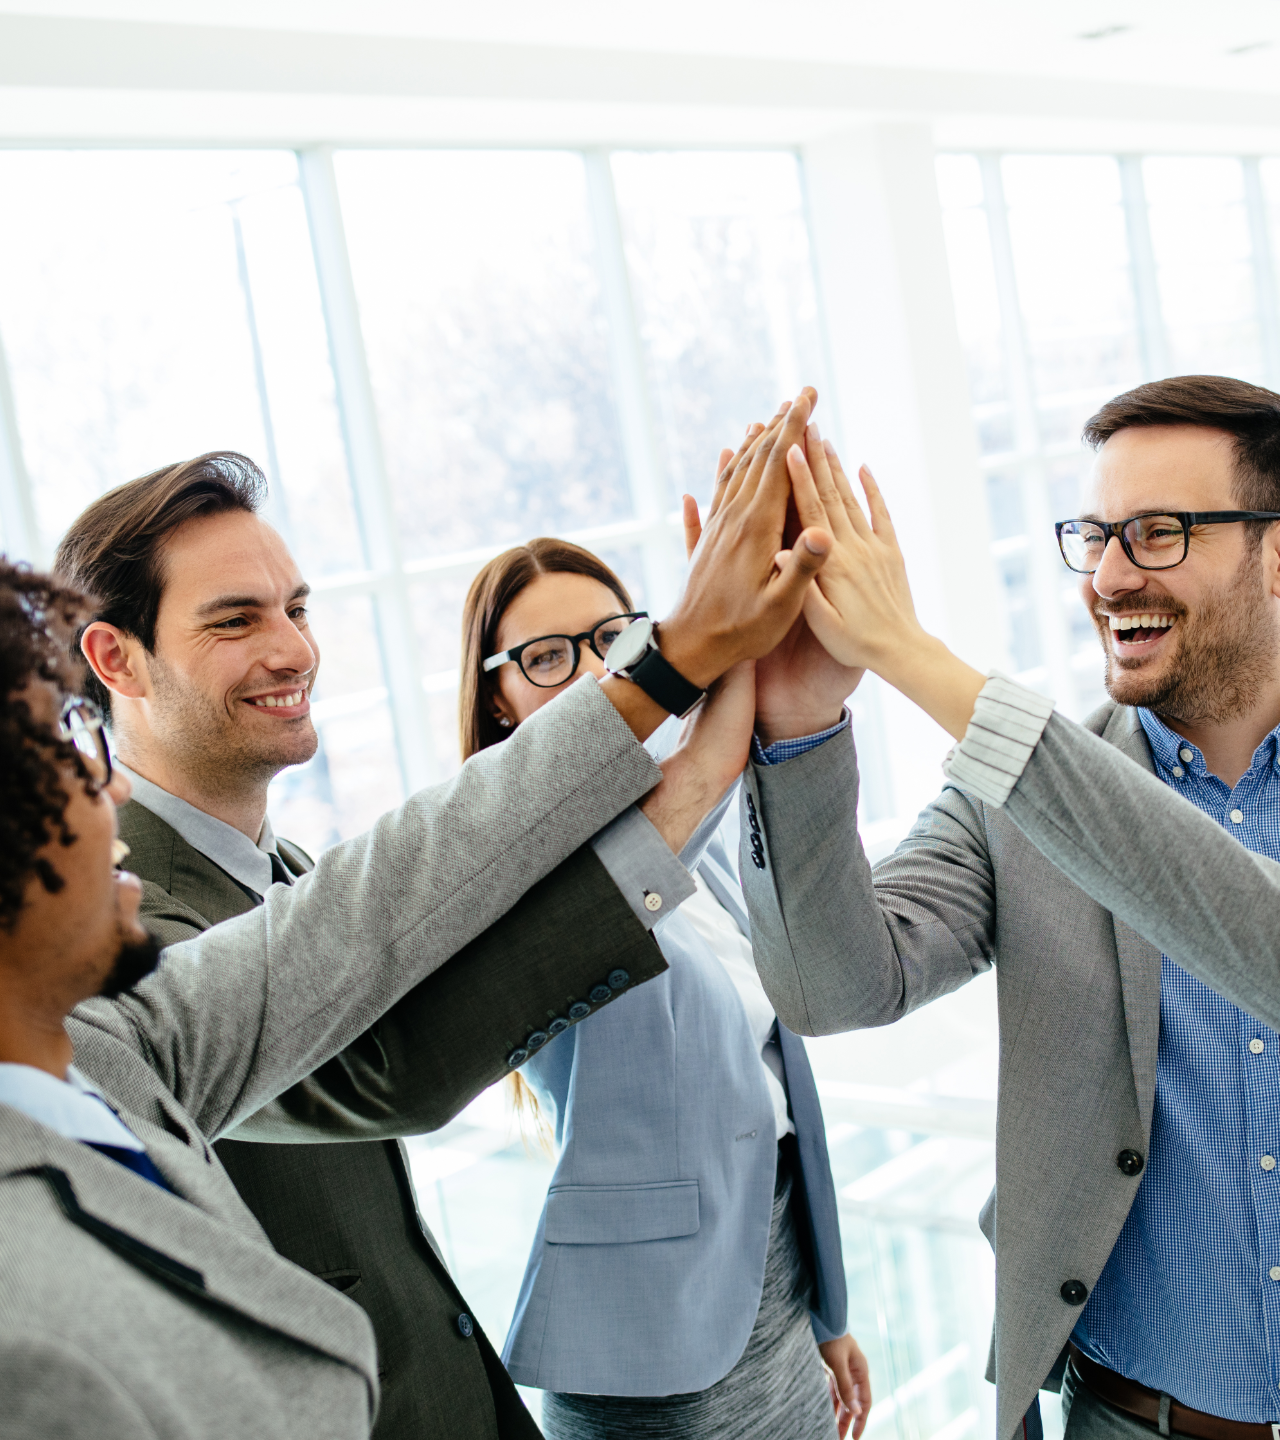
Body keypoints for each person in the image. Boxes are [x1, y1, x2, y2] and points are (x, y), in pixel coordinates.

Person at [0, 387, 833, 1437]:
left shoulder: (287, 874)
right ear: (115, 661)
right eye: (234, 620)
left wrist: (701, 702)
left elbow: (398, 871)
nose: (295, 650)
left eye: (296, 610)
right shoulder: (134, 962)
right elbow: (389, 1050)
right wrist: (666, 665)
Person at [719, 375, 1280, 1440]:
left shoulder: (1038, 783)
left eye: (1158, 534)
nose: (1109, 577)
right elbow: (830, 986)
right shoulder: (1010, 807)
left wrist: (912, 655)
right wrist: (794, 721)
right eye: (1096, 535)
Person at [457, 535, 870, 1440]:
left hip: (774, 1293)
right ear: (498, 693)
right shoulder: (501, 864)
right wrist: (730, 647)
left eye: (615, 640)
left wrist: (823, 1313)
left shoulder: (704, 855)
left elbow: (775, 1091)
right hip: (652, 1348)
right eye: (546, 658)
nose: (592, 675)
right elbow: (692, 794)